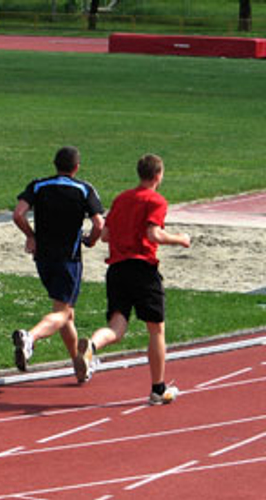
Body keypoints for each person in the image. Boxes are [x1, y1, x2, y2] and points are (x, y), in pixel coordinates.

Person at [75, 153, 190, 405]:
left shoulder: (122, 198)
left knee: (117, 326)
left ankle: (91, 347)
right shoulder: (156, 200)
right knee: (156, 329)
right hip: (143, 269)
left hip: (117, 269)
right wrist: (180, 239)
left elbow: (105, 235)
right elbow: (154, 233)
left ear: (139, 173)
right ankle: (158, 389)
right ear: (158, 175)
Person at [12, 146, 104, 380]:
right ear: (76, 167)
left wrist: (31, 236)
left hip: (43, 258)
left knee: (65, 313)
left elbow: (18, 214)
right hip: (68, 259)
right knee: (62, 314)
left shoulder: (38, 185)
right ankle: (30, 338)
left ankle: (79, 364)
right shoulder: (84, 189)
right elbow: (99, 224)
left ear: (55, 164)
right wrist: (91, 241)